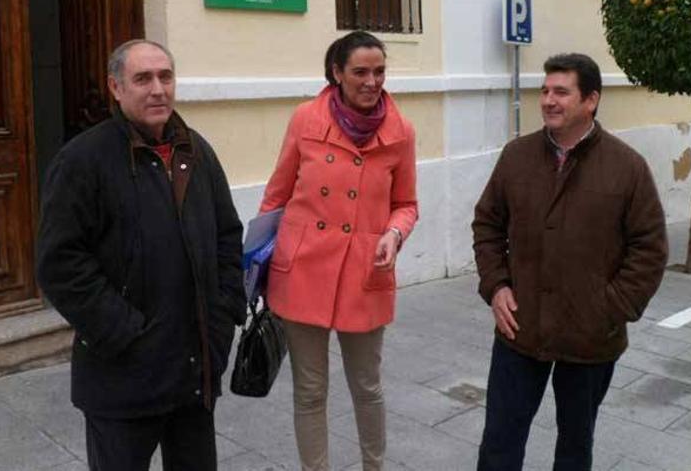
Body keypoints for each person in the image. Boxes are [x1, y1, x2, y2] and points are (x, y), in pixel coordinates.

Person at [36, 39, 245, 471]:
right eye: (142, 79)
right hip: (122, 377)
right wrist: (126, 332)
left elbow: (227, 235)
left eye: (165, 77)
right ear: (115, 88)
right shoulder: (82, 160)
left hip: (194, 374)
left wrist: (223, 318)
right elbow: (60, 264)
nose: (157, 89)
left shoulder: (196, 151)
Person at [472, 53, 668, 471]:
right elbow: (487, 224)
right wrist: (497, 285)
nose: (548, 100)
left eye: (561, 91)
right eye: (544, 90)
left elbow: (650, 249)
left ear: (591, 100)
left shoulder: (626, 167)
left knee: (576, 447)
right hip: (520, 329)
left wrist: (608, 309)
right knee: (499, 444)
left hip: (590, 339)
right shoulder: (516, 156)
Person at [259, 31, 418, 470]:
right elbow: (275, 197)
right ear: (336, 73)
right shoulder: (305, 120)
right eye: (361, 72)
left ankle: (374, 466)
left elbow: (406, 204)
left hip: (366, 273)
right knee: (310, 390)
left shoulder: (400, 130)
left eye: (380, 71)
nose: (372, 81)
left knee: (367, 387)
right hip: (303, 271)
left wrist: (394, 233)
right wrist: (258, 262)